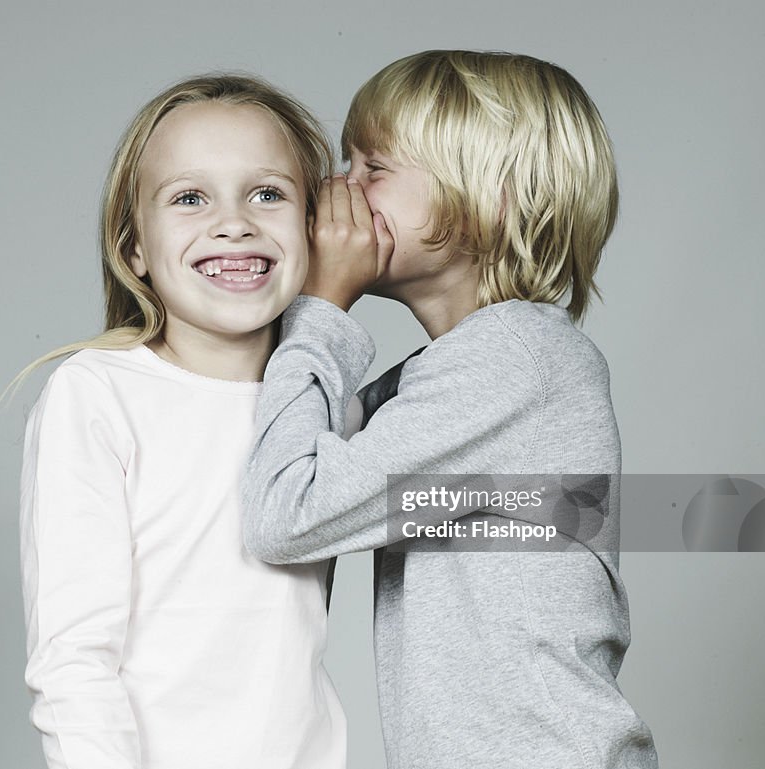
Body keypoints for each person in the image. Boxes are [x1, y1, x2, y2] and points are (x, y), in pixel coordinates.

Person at [241, 51, 659, 768]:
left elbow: (287, 512)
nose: (340, 190)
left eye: (373, 168)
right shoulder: (457, 379)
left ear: (490, 196)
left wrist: (321, 308)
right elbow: (302, 439)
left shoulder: (514, 360)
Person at [15, 74, 347, 769]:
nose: (234, 222)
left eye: (268, 193)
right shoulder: (97, 395)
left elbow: (480, 504)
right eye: (190, 197)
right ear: (134, 247)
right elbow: (74, 660)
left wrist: (600, 509)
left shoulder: (319, 403)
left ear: (314, 229)